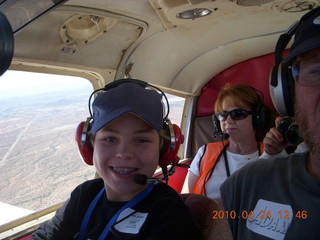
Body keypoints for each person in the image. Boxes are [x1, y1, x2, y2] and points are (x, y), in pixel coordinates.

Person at [32, 80, 200, 240]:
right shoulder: (85, 195)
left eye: (141, 140)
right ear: (89, 147)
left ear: (164, 150)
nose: (124, 153)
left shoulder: (169, 214)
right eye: (110, 139)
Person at [220, 7, 320, 240]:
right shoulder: (247, 183)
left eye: (238, 113)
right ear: (288, 94)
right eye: (317, 72)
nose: (229, 121)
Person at [182, 83, 270, 202]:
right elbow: (186, 199)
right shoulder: (205, 152)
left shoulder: (272, 152)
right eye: (223, 115)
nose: (228, 120)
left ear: (257, 118)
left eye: (238, 114)